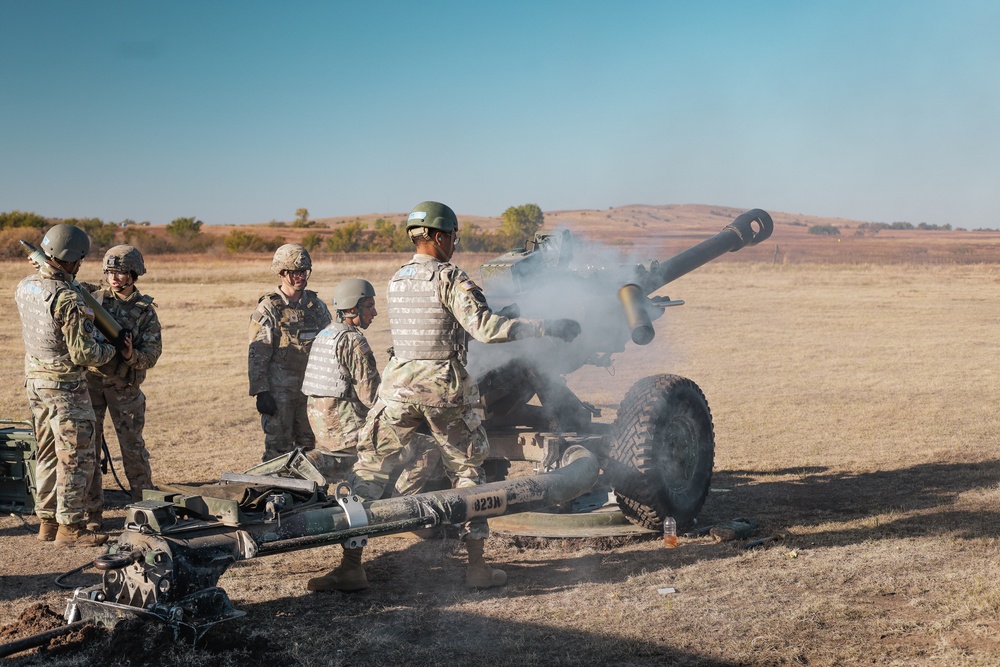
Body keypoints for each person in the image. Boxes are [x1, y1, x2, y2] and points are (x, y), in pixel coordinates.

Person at [309, 201, 581, 592]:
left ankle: (351, 566)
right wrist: (546, 326)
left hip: (398, 389)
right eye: (452, 237)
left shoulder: (396, 280)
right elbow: (484, 328)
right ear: (438, 236)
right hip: (443, 388)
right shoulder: (450, 278)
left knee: (369, 472)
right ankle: (477, 567)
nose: (454, 244)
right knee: (468, 472)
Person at [14, 224, 126, 547]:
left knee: (47, 451)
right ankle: (71, 527)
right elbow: (85, 353)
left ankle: (46, 522)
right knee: (75, 454)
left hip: (35, 381)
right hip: (65, 388)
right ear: (71, 259)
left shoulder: (25, 286)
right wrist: (112, 349)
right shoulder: (67, 299)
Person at [83, 245, 162, 529]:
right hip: (91, 385)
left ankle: (144, 511)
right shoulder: (93, 299)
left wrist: (130, 356)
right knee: (89, 450)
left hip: (125, 388)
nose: (115, 278)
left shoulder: (145, 311)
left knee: (133, 450)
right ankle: (92, 514)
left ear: (134, 274)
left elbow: (151, 355)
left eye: (122, 272)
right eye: (111, 272)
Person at [248, 244, 332, 462]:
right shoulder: (269, 308)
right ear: (282, 273)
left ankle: (308, 494)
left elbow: (329, 346)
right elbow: (258, 354)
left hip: (310, 392)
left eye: (304, 272)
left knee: (309, 450)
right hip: (279, 394)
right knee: (278, 452)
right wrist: (261, 392)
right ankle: (275, 493)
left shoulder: (316, 306)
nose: (301, 277)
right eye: (295, 272)